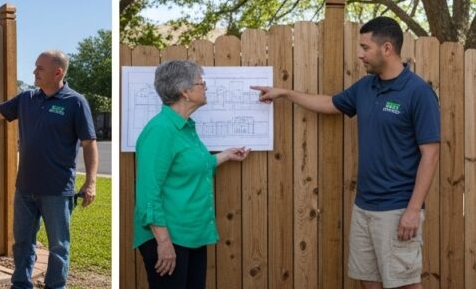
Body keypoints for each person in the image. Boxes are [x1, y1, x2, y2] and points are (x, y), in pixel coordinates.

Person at [253, 16, 440, 289]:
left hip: (397, 208)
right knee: (368, 280)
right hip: (364, 205)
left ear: (387, 49)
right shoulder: (367, 86)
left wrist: (413, 210)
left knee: (403, 284)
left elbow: (431, 155)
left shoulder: (418, 92)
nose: (359, 54)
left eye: (365, 47)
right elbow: (330, 103)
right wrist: (284, 93)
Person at [0, 49, 97, 289]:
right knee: (22, 242)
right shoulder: (26, 99)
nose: (34, 72)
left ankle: (55, 286)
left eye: (40, 68)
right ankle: (21, 284)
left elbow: (89, 143)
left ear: (58, 72)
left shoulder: (75, 102)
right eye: (36, 67)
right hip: (25, 187)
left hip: (57, 190)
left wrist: (90, 182)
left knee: (59, 245)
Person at [133, 59, 250, 289]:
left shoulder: (186, 127)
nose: (205, 87)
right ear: (184, 91)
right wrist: (164, 242)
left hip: (191, 234)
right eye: (201, 83)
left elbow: (191, 166)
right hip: (167, 237)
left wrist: (225, 155)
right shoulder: (160, 130)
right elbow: (148, 193)